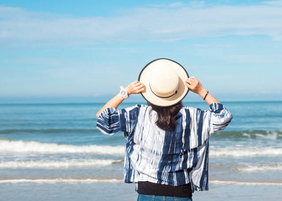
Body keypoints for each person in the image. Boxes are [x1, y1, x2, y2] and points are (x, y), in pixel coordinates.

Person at [96, 58, 232, 201]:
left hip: (147, 190)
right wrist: (201, 91)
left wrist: (125, 93)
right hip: (181, 190)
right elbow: (224, 116)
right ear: (179, 91)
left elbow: (102, 117)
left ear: (151, 92)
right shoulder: (193, 116)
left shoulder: (137, 114)